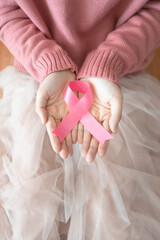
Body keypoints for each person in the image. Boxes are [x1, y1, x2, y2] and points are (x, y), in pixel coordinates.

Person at [0, 0, 160, 239]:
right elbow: (6, 10)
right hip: (38, 77)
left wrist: (108, 61)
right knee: (30, 198)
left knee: (114, 208)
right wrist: (48, 63)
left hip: (119, 83)